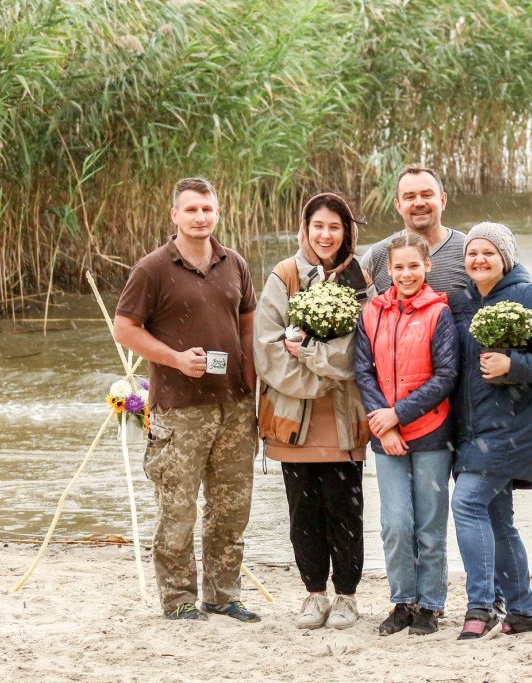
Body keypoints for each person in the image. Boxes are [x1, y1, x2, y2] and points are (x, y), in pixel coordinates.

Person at [113, 177, 259, 622]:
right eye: (191, 210)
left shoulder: (234, 262)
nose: (200, 217)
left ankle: (223, 594)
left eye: (207, 210)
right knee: (177, 510)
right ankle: (178, 599)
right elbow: (125, 329)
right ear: (175, 215)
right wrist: (175, 359)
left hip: (233, 406)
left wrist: (253, 397)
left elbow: (249, 330)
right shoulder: (152, 268)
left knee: (231, 509)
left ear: (217, 213)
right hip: (179, 409)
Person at [253, 192, 372, 630]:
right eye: (318, 226)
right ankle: (314, 595)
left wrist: (316, 359)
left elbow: (359, 350)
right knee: (302, 510)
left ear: (347, 233)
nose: (326, 235)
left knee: (345, 507)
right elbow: (267, 349)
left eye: (335, 227)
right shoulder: (284, 276)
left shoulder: (361, 279)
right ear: (305, 229)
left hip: (344, 418)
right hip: (293, 416)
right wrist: (317, 379)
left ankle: (347, 597)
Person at [448, 222, 532, 640]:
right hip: (470, 428)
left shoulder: (528, 296)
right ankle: (523, 612)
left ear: (505, 257)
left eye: (488, 252)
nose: (479, 259)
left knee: (466, 505)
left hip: (513, 426)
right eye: (472, 253)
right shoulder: (462, 301)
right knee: (498, 520)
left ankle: (481, 605)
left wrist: (511, 365)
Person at [353, 234, 459, 636]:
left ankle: (431, 605)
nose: (406, 274)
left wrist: (399, 415)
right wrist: (385, 423)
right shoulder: (372, 313)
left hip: (431, 431)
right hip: (386, 434)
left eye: (414, 266)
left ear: (427, 267)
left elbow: (446, 375)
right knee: (396, 524)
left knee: (429, 525)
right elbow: (363, 371)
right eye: (399, 267)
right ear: (388, 271)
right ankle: (403, 601)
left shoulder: (439, 313)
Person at [359, 166, 468, 294]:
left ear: (443, 200)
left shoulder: (469, 251)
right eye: (409, 197)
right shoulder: (376, 256)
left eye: (427, 195)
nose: (419, 203)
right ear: (398, 206)